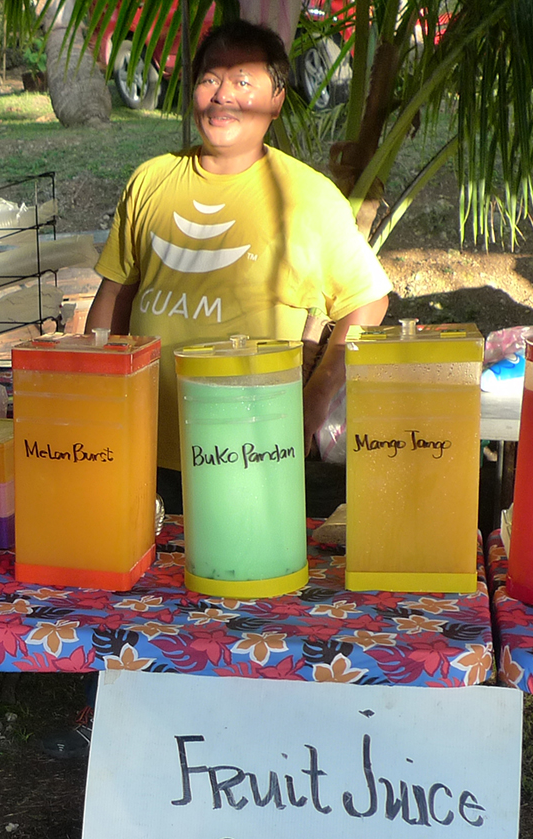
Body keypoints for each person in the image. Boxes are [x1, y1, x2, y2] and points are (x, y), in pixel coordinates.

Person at [85, 18, 391, 510]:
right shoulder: (150, 181)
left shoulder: (306, 196)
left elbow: (369, 302)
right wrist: (95, 393)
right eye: (210, 79)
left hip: (250, 452)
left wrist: (317, 396)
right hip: (145, 445)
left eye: (243, 82)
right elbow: (115, 297)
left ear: (276, 100)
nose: (223, 95)